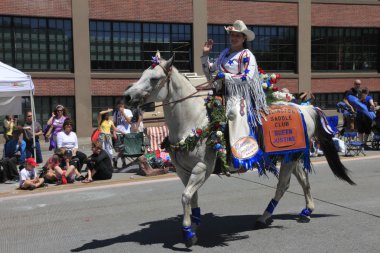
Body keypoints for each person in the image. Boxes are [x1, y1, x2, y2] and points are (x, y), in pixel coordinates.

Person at [201, 20, 268, 170]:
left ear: (244, 38)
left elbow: (247, 77)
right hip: (221, 94)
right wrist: (205, 55)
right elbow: (210, 73)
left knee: (235, 114)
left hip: (240, 95)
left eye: (238, 35)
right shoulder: (225, 53)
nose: (234, 38)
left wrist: (225, 76)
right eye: (232, 35)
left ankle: (242, 158)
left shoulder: (246, 54)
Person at [112, 100, 133, 168]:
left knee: (125, 149)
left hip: (126, 132)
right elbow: (114, 124)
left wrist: (123, 113)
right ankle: (124, 163)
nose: (119, 108)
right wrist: (114, 132)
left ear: (123, 105)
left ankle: (115, 159)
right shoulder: (116, 113)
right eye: (118, 106)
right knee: (121, 149)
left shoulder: (128, 111)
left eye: (120, 106)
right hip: (118, 133)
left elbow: (130, 121)